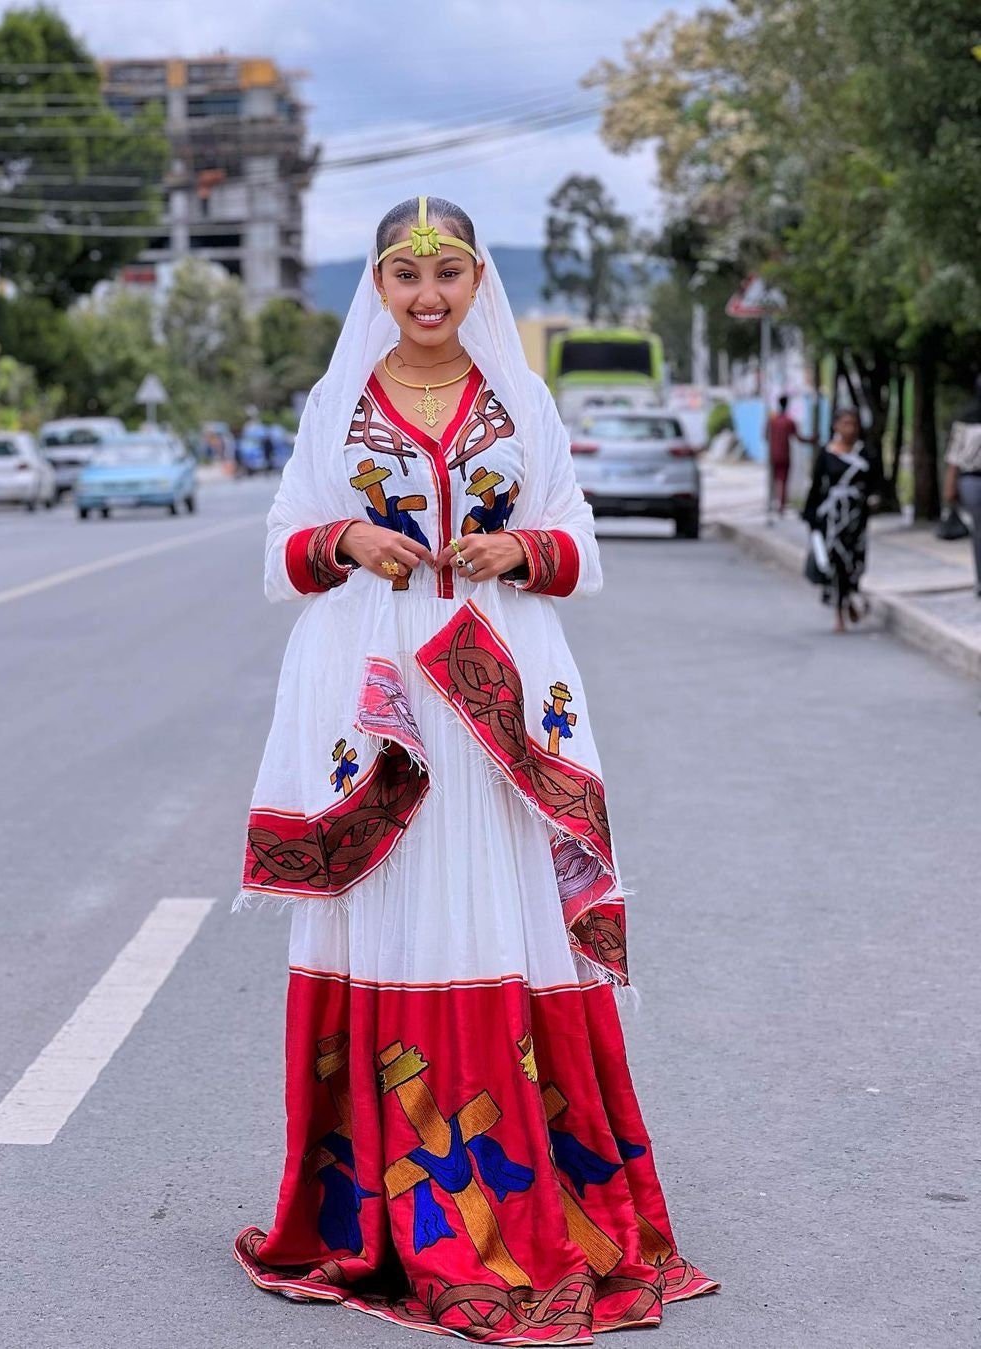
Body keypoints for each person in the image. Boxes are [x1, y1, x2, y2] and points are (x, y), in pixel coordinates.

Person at [230, 195, 717, 1340]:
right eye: (406, 274)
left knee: (502, 913)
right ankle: (380, 1210)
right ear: (379, 286)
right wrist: (345, 539)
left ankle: (519, 1194)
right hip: (377, 693)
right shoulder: (336, 404)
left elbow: (580, 541)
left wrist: (518, 547)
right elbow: (279, 544)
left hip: (498, 693)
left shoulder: (522, 402)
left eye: (448, 273)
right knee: (392, 905)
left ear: (480, 280)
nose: (428, 294)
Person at [802, 407, 872, 632]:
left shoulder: (865, 454)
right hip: (833, 519)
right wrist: (810, 516)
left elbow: (874, 482)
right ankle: (839, 613)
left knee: (856, 562)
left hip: (857, 517)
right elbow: (817, 486)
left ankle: (851, 596)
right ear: (835, 426)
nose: (849, 429)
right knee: (836, 563)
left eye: (853, 424)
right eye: (845, 423)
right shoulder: (826, 454)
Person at [942, 374, 981, 596]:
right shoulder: (966, 420)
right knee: (979, 531)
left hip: (971, 480)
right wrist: (950, 487)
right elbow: (954, 459)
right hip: (973, 479)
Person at [766, 394, 814, 516]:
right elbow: (799, 438)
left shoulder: (772, 421)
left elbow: (766, 436)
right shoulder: (789, 421)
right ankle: (780, 506)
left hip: (773, 455)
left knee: (775, 479)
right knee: (783, 480)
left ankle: (773, 503)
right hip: (784, 455)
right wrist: (811, 440)